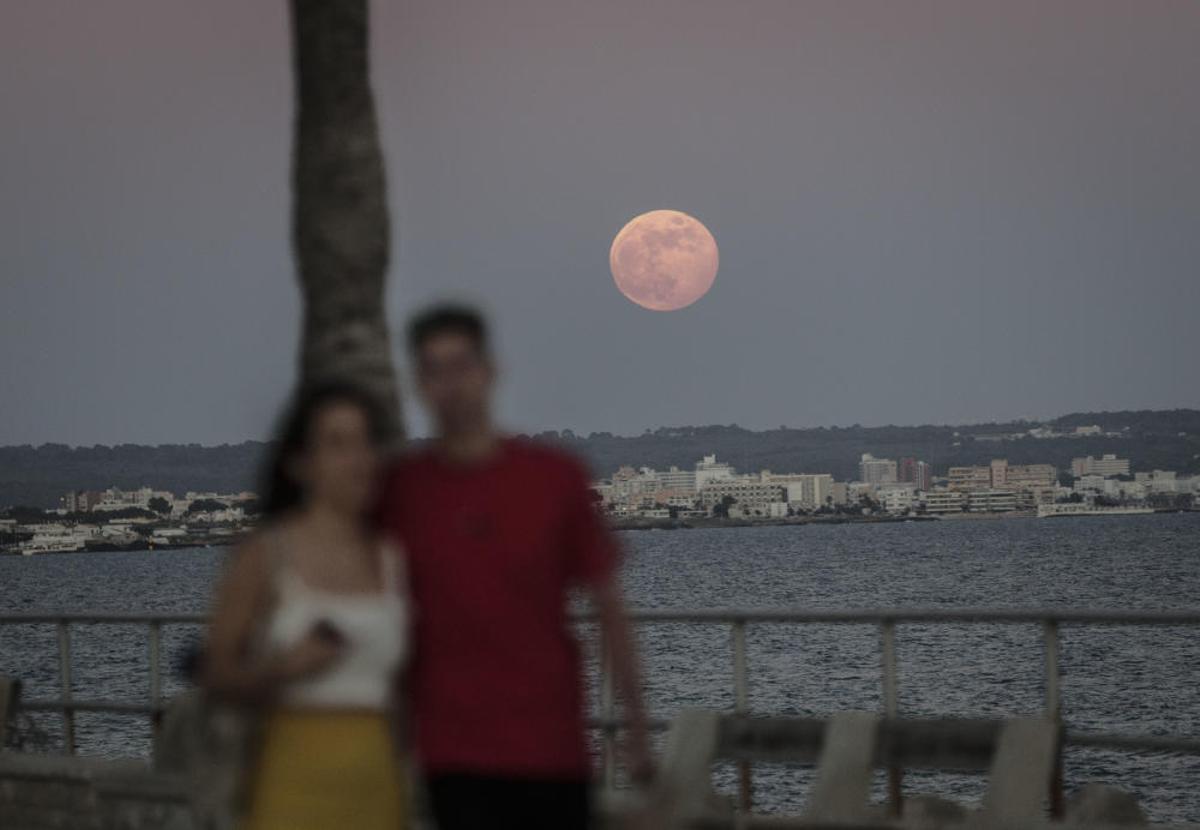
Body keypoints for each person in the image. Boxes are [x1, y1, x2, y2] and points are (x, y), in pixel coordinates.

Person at [376, 304, 652, 830]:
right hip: (451, 755)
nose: (450, 384)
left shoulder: (553, 478)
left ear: (490, 370)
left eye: (461, 365)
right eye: (434, 370)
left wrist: (638, 730)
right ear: (418, 383)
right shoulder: (402, 492)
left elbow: (610, 610)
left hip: (551, 750)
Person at [202, 382, 410, 830]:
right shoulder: (266, 554)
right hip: (293, 780)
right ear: (301, 463)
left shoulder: (394, 557)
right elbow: (215, 673)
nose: (356, 459)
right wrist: (281, 668)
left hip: (379, 784)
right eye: (337, 444)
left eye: (364, 442)